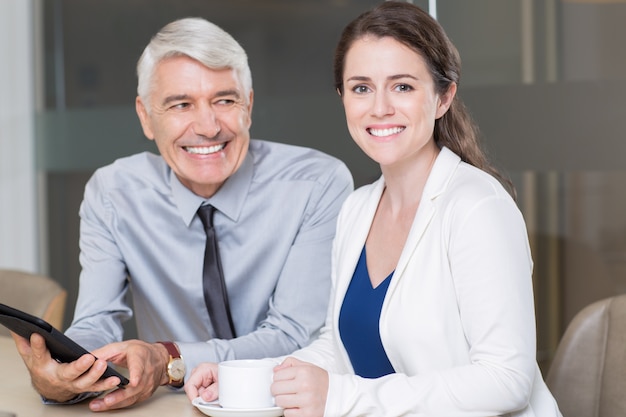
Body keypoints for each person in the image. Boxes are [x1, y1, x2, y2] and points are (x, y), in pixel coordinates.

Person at [184, 2, 563, 416]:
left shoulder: (477, 207)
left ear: (443, 98)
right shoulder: (357, 208)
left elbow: (506, 381)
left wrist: (341, 399)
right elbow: (339, 346)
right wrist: (249, 377)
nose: (379, 107)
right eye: (361, 87)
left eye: (402, 86)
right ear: (343, 98)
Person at [10, 17, 353, 412]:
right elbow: (97, 319)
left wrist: (169, 358)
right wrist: (66, 370)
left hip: (286, 405)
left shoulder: (317, 183)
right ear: (145, 117)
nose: (207, 127)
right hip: (170, 408)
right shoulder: (113, 193)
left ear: (249, 107)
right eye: (181, 104)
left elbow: (294, 335)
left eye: (225, 100)